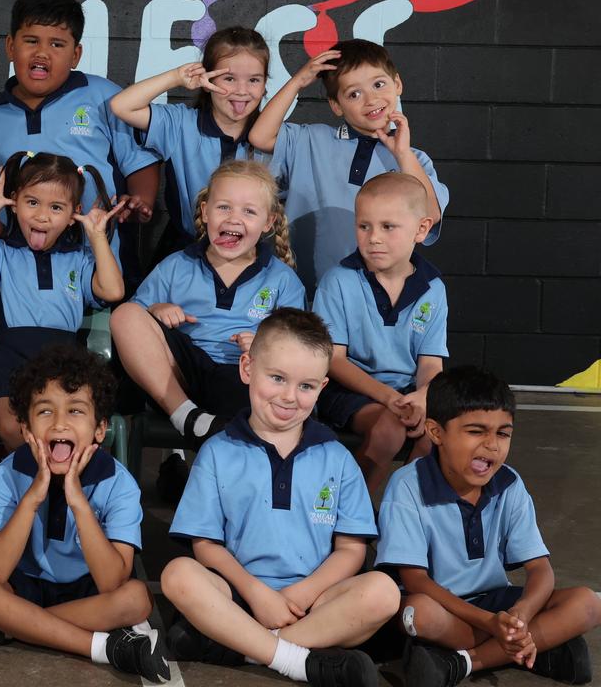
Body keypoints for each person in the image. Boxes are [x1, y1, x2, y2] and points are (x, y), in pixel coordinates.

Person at [161, 308, 401, 687]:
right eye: (277, 378)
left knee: (384, 593)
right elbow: (205, 545)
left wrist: (299, 595)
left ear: (322, 388)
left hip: (313, 603)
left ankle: (246, 648)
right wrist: (257, 593)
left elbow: (351, 551)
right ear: (247, 368)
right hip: (238, 596)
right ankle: (297, 659)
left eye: (306, 386)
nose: (290, 397)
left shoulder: (336, 457)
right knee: (178, 575)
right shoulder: (217, 451)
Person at [0, 344, 169, 683]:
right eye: (45, 411)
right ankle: (101, 646)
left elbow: (112, 580)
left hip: (86, 592)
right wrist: (34, 495)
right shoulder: (8, 473)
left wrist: (78, 501)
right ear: (25, 429)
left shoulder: (118, 482)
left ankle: (8, 626)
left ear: (100, 429)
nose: (60, 423)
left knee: (136, 598)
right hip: (24, 586)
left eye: (76, 411)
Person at [377, 365, 601, 686]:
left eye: (503, 433)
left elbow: (541, 569)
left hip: (496, 601)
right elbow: (416, 582)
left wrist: (521, 615)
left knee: (589, 604)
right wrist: (493, 623)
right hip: (441, 605)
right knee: (417, 614)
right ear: (436, 432)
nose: (492, 445)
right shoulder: (408, 485)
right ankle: (536, 646)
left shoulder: (509, 483)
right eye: (475, 431)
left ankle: (464, 662)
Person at [0, 0, 159, 283]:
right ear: (10, 46)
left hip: (100, 262)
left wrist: (142, 199)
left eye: (57, 44)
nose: (42, 52)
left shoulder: (103, 97)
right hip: (21, 270)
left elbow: (139, 159)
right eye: (31, 41)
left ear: (76, 54)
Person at [111, 160, 304, 444]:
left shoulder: (282, 279)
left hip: (242, 377)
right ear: (205, 211)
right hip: (179, 379)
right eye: (223, 207)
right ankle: (185, 416)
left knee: (272, 381)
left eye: (249, 211)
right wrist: (155, 310)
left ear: (268, 223)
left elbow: (298, 348)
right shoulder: (177, 265)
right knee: (125, 314)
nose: (233, 218)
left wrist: (266, 347)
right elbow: (137, 324)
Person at [249, 38, 448, 290]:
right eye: (354, 94)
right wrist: (299, 81)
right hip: (302, 291)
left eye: (378, 84)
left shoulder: (414, 160)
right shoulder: (311, 139)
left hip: (375, 297)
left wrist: (402, 154)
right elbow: (260, 137)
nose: (371, 99)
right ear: (336, 106)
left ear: (397, 84)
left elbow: (430, 215)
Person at [0, 151, 124, 449]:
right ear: (14, 201)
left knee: (67, 432)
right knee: (15, 428)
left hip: (66, 361)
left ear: (74, 213)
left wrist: (97, 236)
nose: (42, 215)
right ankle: (26, 489)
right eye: (32, 202)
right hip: (10, 359)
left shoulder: (79, 260)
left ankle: (62, 490)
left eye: (57, 207)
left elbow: (113, 291)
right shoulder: (3, 254)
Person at [312, 172, 447, 493]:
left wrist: (423, 397)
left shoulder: (433, 289)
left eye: (388, 227)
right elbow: (333, 360)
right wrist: (391, 399)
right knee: (389, 430)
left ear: (422, 229)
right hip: (347, 391)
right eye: (364, 226)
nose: (373, 237)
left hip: (406, 393)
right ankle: (351, 521)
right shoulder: (339, 281)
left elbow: (431, 364)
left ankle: (403, 515)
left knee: (436, 434)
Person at [110, 26, 270, 260]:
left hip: (248, 253)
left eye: (254, 80)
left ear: (266, 83)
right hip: (185, 253)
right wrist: (176, 77)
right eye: (229, 78)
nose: (241, 91)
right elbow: (121, 106)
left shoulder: (271, 136)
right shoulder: (181, 124)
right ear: (207, 79)